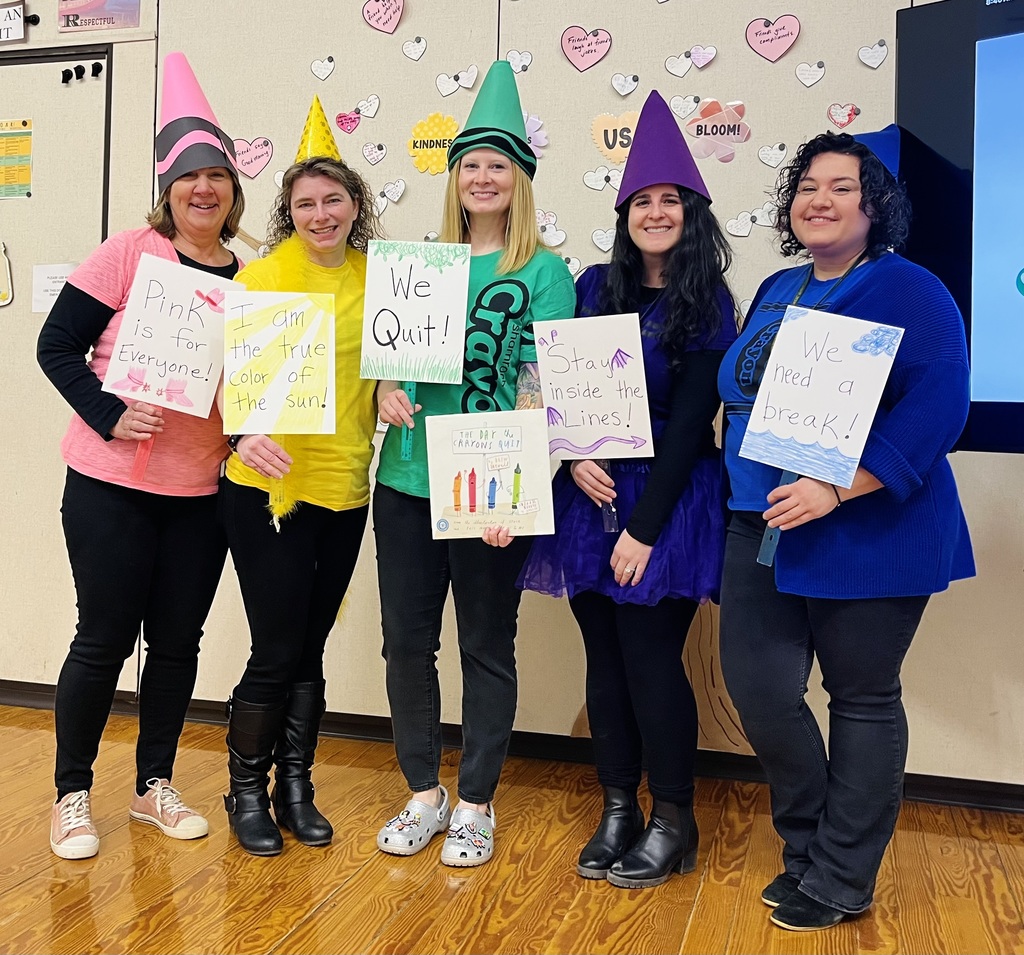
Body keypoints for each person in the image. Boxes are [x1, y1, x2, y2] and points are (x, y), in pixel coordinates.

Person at [716, 126, 975, 931]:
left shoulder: (909, 289)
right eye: (807, 187)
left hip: (869, 527)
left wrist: (840, 486)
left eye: (840, 186)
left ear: (877, 204)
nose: (818, 200)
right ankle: (807, 848)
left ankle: (841, 875)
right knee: (759, 690)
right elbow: (743, 387)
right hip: (760, 521)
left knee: (860, 699)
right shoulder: (778, 289)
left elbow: (942, 404)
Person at [517, 91, 738, 888]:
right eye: (641, 201)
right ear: (624, 214)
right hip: (590, 495)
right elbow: (560, 389)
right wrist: (571, 455)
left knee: (651, 661)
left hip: (666, 504)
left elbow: (690, 425)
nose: (654, 212)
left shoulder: (708, 301)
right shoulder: (589, 286)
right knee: (602, 662)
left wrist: (644, 527)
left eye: (668, 201)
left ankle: (674, 817)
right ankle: (618, 805)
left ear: (691, 211)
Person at [36, 52, 244, 859]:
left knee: (179, 644)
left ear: (233, 192)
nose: (203, 190)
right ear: (168, 189)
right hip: (110, 485)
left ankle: (154, 784)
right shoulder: (128, 253)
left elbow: (247, 388)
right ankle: (71, 794)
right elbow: (56, 346)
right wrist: (109, 411)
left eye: (217, 177)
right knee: (102, 638)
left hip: (198, 492)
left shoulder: (247, 279)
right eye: (189, 178)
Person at [373, 61, 576, 867]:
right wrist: (388, 388)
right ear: (454, 178)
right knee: (405, 642)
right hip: (407, 479)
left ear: (519, 179)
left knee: (487, 643)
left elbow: (541, 389)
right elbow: (393, 364)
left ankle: (477, 802)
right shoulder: (423, 264)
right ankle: (423, 792)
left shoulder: (545, 272)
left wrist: (517, 497)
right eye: (470, 165)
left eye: (498, 165)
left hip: (490, 489)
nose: (482, 177)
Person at [219, 97, 383, 856]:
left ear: (356, 204)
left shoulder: (380, 278)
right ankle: (246, 788)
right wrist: (242, 430)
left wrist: (393, 384)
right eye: (304, 202)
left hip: (346, 485)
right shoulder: (260, 278)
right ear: (288, 211)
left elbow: (392, 366)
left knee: (309, 644)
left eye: (333, 199)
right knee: (277, 644)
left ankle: (296, 785)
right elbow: (220, 378)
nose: (320, 213)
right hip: (268, 488)